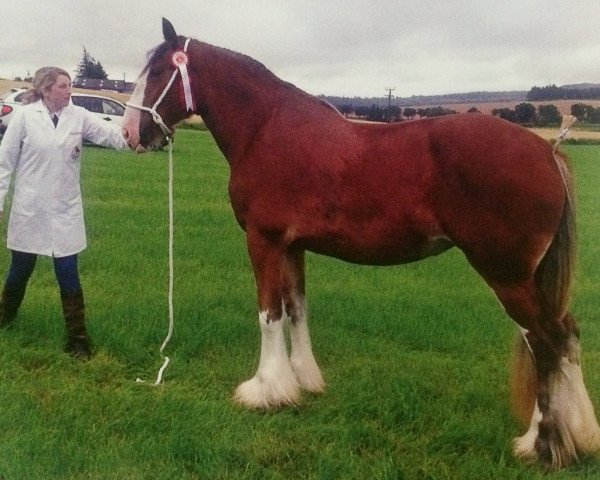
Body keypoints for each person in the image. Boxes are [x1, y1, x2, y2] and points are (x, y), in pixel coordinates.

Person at [0, 66, 129, 359]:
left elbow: (110, 135)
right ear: (46, 90)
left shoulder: (78, 115)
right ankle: (5, 317)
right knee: (20, 269)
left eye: (69, 85)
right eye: (62, 86)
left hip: (65, 211)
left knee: (68, 272)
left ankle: (78, 339)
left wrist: (140, 138)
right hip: (30, 209)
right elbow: (3, 163)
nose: (69, 90)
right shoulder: (24, 117)